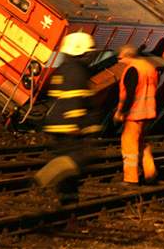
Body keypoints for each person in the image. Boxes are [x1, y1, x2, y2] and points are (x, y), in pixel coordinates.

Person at [35, 32, 103, 205]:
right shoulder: (77, 71)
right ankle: (50, 178)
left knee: (69, 172)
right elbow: (75, 99)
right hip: (70, 127)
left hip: (58, 125)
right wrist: (77, 124)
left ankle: (67, 201)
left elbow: (55, 96)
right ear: (82, 53)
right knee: (77, 161)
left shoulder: (63, 69)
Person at [114, 44, 158, 185]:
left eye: (120, 58)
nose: (119, 61)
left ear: (128, 56)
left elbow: (130, 94)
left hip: (135, 113)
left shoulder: (132, 69)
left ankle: (131, 178)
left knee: (129, 146)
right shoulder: (149, 67)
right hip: (149, 112)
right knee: (142, 144)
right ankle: (150, 172)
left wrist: (121, 112)